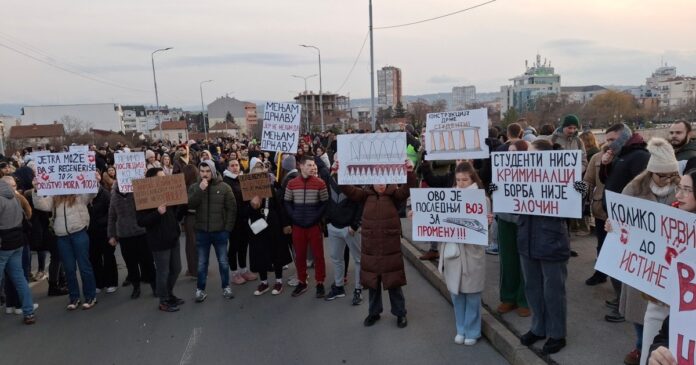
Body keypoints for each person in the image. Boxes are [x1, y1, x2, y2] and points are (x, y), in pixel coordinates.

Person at [509, 139, 585, 355]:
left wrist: (579, 192)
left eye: (531, 154)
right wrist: (499, 191)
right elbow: (511, 206)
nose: (526, 158)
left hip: (551, 241)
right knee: (532, 288)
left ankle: (557, 333)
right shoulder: (522, 176)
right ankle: (538, 327)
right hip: (527, 240)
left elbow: (573, 209)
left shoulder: (563, 176)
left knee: (553, 291)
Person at [608, 138, 679, 365]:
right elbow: (621, 220)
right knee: (640, 312)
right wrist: (613, 225)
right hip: (642, 264)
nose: (668, 179)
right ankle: (641, 345)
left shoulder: (681, 191)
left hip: (667, 265)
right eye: (663, 175)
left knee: (663, 315)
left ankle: (659, 348)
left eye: (672, 174)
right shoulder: (634, 188)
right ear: (651, 173)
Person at [341, 160, 417, 329]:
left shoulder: (394, 194)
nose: (381, 184)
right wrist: (338, 172)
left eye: (384, 181)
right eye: (378, 181)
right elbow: (347, 189)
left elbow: (409, 187)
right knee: (373, 282)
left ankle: (400, 313)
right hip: (371, 248)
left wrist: (410, 172)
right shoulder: (364, 195)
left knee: (393, 282)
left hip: (390, 247)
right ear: (371, 181)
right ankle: (374, 313)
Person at [599, 123, 651, 329]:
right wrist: (606, 165)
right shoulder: (621, 154)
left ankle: (625, 306)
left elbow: (642, 189)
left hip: (627, 222)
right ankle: (620, 298)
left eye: (612, 140)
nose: (608, 144)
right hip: (614, 218)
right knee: (613, 263)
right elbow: (608, 180)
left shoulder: (639, 156)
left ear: (623, 137)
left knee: (623, 266)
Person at [437, 162, 491, 345]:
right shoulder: (447, 198)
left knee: (473, 294)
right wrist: (418, 215)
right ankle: (460, 328)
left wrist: (488, 222)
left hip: (472, 254)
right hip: (452, 253)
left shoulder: (482, 199)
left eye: (465, 179)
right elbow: (435, 219)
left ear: (473, 179)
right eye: (458, 180)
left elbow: (485, 230)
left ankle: (473, 331)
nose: (460, 183)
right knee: (456, 294)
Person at [33, 175, 99, 310]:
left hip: (79, 233)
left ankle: (90, 296)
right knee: (69, 269)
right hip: (62, 236)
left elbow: (92, 192)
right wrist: (36, 189)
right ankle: (74, 298)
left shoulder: (80, 195)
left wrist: (93, 180)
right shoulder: (54, 197)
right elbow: (41, 205)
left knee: (84, 267)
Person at [493, 122, 530, 317]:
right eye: (510, 151)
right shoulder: (502, 171)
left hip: (526, 222)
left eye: (516, 152)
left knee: (525, 261)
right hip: (506, 220)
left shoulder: (536, 173)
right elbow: (493, 189)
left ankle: (524, 299)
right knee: (508, 260)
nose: (512, 155)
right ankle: (508, 297)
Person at [137, 168, 186, 312]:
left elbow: (175, 215)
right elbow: (141, 221)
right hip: (159, 240)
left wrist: (181, 203)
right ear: (152, 179)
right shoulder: (144, 196)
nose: (164, 180)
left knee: (176, 268)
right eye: (160, 177)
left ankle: (168, 294)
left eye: (165, 177)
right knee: (163, 272)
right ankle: (163, 300)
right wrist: (157, 213)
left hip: (172, 236)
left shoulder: (167, 193)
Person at [188, 160, 237, 302]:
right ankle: (200, 290)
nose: (205, 174)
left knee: (223, 261)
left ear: (213, 171)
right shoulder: (194, 187)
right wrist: (200, 190)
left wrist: (227, 229)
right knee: (202, 263)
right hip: (202, 231)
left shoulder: (224, 187)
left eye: (207, 171)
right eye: (202, 171)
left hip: (220, 232)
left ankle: (226, 287)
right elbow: (190, 204)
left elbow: (232, 209)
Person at [317, 155, 363, 304]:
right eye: (336, 160)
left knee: (359, 259)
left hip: (350, 228)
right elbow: (326, 200)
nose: (338, 162)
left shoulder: (356, 179)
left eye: (341, 159)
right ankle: (339, 287)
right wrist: (328, 221)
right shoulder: (329, 178)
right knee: (337, 259)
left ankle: (358, 289)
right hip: (334, 227)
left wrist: (355, 225)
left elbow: (360, 204)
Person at [283, 155, 329, 298]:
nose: (312, 167)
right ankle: (302, 281)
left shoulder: (320, 183)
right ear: (301, 166)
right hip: (298, 226)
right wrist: (294, 217)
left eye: (313, 165)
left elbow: (325, 203)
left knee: (318, 256)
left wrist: (315, 217)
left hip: (314, 226)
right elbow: (287, 202)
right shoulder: (292, 183)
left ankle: (320, 282)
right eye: (309, 165)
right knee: (300, 256)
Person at [247, 165, 293, 296]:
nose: (259, 178)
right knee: (260, 254)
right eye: (255, 175)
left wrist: (285, 224)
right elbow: (243, 212)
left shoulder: (270, 189)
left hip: (273, 226)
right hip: (256, 228)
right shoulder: (247, 192)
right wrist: (252, 205)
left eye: (261, 175)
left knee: (276, 253)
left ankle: (278, 281)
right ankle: (264, 282)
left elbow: (279, 208)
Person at [107, 180, 155, 299]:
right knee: (130, 263)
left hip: (141, 232)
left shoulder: (137, 190)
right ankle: (136, 287)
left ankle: (155, 285)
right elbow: (112, 216)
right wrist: (112, 235)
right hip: (125, 235)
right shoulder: (114, 196)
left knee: (148, 261)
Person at [0, 179, 37, 324]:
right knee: (20, 278)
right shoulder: (15, 197)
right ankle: (29, 312)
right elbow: (24, 216)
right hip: (17, 241)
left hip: (3, 243)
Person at [222, 158, 256, 285]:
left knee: (243, 245)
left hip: (244, 218)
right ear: (228, 167)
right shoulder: (226, 181)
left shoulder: (244, 179)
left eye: (236, 165)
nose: (235, 167)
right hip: (233, 220)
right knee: (234, 247)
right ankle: (234, 273)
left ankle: (243, 270)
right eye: (232, 165)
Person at [584, 146, 611, 286]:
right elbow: (587, 181)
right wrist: (575, 198)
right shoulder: (596, 157)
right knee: (601, 243)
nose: (611, 142)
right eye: (609, 139)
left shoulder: (629, 158)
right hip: (601, 209)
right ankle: (600, 273)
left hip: (622, 212)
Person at [88, 175, 117, 293]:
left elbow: (112, 214)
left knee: (108, 257)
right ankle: (98, 283)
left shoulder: (105, 194)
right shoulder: (84, 196)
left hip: (105, 231)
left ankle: (111, 282)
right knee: (94, 258)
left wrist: (113, 234)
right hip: (90, 232)